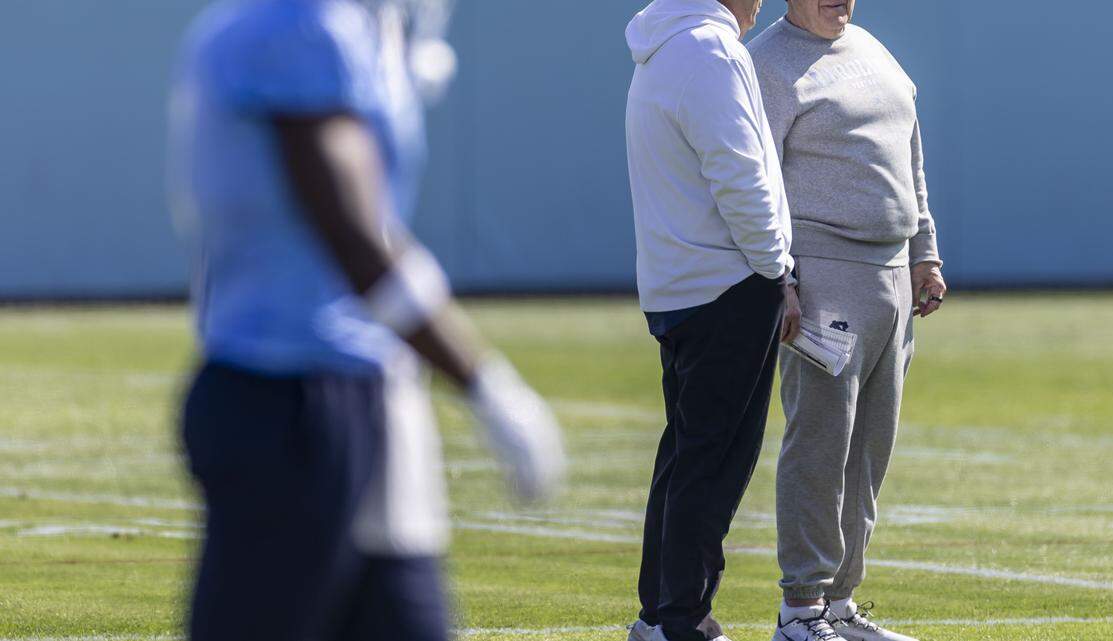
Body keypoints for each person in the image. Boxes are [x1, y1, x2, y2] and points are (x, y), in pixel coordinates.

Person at [167, 1, 566, 639]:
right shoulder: (300, 26)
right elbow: (358, 240)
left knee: (409, 620)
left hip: (359, 385)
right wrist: (485, 385)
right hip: (295, 397)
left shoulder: (327, 27)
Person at [746, 2, 948, 640]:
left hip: (891, 275)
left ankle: (839, 606)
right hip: (823, 272)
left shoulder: (871, 49)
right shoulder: (766, 64)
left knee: (870, 452)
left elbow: (908, 160)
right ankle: (800, 609)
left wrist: (924, 251)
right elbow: (757, 183)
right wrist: (780, 280)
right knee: (820, 444)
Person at [624, 1, 796, 640]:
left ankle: (659, 615)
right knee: (714, 463)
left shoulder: (666, 45)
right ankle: (683, 620)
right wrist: (778, 268)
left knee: (687, 454)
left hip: (681, 288)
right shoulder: (710, 50)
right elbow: (742, 175)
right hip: (730, 286)